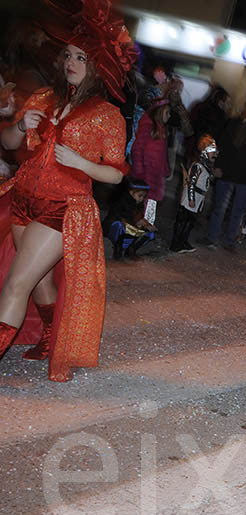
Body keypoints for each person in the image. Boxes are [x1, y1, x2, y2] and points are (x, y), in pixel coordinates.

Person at [0, 0, 136, 380]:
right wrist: (18, 123)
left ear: (97, 66)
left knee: (16, 283)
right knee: (39, 279)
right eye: (69, 55)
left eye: (81, 57)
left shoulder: (106, 115)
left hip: (63, 209)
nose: (71, 63)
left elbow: (115, 175)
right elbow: (12, 144)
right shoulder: (44, 97)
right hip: (25, 200)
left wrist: (81, 164)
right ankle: (47, 335)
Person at [205, 100, 246, 251]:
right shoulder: (234, 124)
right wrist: (218, 165)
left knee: (238, 211)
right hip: (227, 172)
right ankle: (211, 237)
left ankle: (230, 240)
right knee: (219, 207)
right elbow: (223, 146)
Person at [170, 135, 216, 253]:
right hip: (191, 197)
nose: (214, 154)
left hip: (198, 198)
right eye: (212, 151)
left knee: (190, 222)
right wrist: (191, 198)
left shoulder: (206, 167)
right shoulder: (198, 166)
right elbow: (191, 183)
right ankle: (176, 244)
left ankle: (183, 241)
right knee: (183, 220)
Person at [102, 178, 157, 260]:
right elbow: (119, 217)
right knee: (119, 226)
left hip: (131, 228)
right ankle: (118, 249)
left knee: (150, 234)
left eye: (143, 196)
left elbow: (139, 218)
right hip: (116, 228)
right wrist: (135, 223)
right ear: (131, 192)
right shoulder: (120, 201)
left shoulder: (139, 204)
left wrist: (146, 224)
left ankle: (131, 250)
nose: (141, 199)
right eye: (139, 196)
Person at [130, 98, 170, 207]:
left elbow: (163, 154)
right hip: (145, 177)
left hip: (155, 177)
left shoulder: (161, 130)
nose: (169, 116)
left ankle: (146, 222)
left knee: (150, 207)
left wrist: (166, 169)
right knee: (140, 207)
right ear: (159, 112)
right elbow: (137, 149)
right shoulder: (148, 126)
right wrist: (139, 172)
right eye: (167, 113)